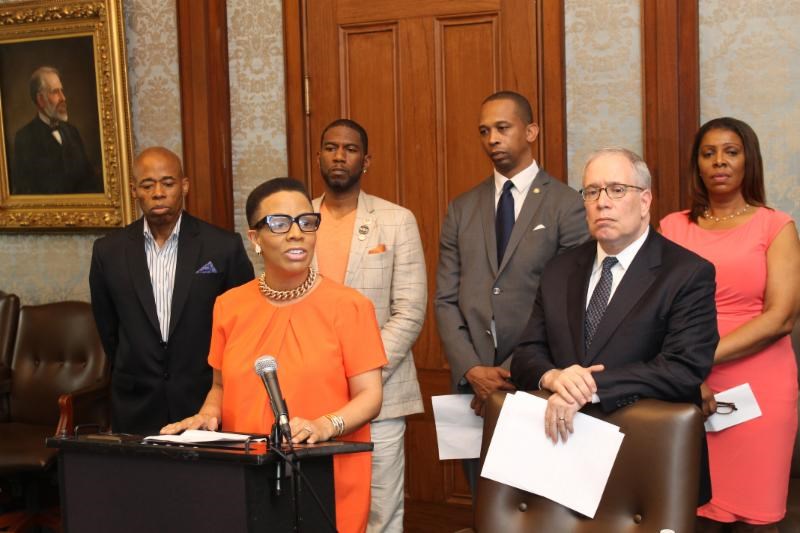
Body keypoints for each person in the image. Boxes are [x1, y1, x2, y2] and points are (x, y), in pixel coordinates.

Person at [161, 178, 387, 533]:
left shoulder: (350, 306)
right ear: (255, 239)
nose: (296, 233)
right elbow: (219, 386)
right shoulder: (229, 306)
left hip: (324, 476)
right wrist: (206, 416)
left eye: (306, 221)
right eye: (280, 224)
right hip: (247, 475)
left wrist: (325, 425)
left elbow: (370, 396)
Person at [511, 147, 718, 502]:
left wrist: (590, 385)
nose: (601, 202)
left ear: (645, 200)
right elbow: (527, 354)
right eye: (591, 191)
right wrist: (555, 377)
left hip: (646, 462)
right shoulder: (560, 269)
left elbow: (684, 369)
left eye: (616, 190)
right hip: (563, 457)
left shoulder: (687, 273)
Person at [434, 90, 588, 492]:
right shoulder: (461, 208)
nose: (492, 140)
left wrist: (515, 367)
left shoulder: (567, 205)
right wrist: (471, 368)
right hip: (471, 389)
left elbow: (570, 302)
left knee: (535, 504)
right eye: (484, 131)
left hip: (537, 381)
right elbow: (446, 299)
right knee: (483, 503)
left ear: (531, 131)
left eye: (503, 128)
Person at [660, 117, 800, 532]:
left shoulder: (776, 226)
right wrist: (686, 374)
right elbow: (655, 311)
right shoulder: (672, 227)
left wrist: (697, 358)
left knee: (757, 517)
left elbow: (781, 318)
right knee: (693, 513)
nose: (719, 161)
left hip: (760, 387)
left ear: (748, 161)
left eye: (731, 152)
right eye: (708, 153)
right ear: (697, 165)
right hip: (686, 386)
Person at [89, 147, 254, 435]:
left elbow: (243, 327)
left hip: (204, 401)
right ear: (134, 191)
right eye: (147, 184)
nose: (158, 192)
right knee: (137, 480)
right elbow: (109, 329)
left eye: (167, 183)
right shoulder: (108, 251)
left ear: (184, 186)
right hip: (136, 401)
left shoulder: (223, 247)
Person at [312, 119, 426, 533]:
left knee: (379, 515)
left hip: (382, 395)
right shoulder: (297, 221)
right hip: (311, 400)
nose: (339, 156)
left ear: (367, 160)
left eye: (350, 149)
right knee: (319, 511)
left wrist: (362, 372)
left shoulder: (396, 221)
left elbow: (410, 310)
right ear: (319, 156)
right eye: (330, 147)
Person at [11, 66, 101, 195]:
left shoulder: (72, 132)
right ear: (41, 100)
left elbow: (89, 179)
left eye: (62, 91)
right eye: (55, 92)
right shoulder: (24, 138)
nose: (63, 98)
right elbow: (24, 191)